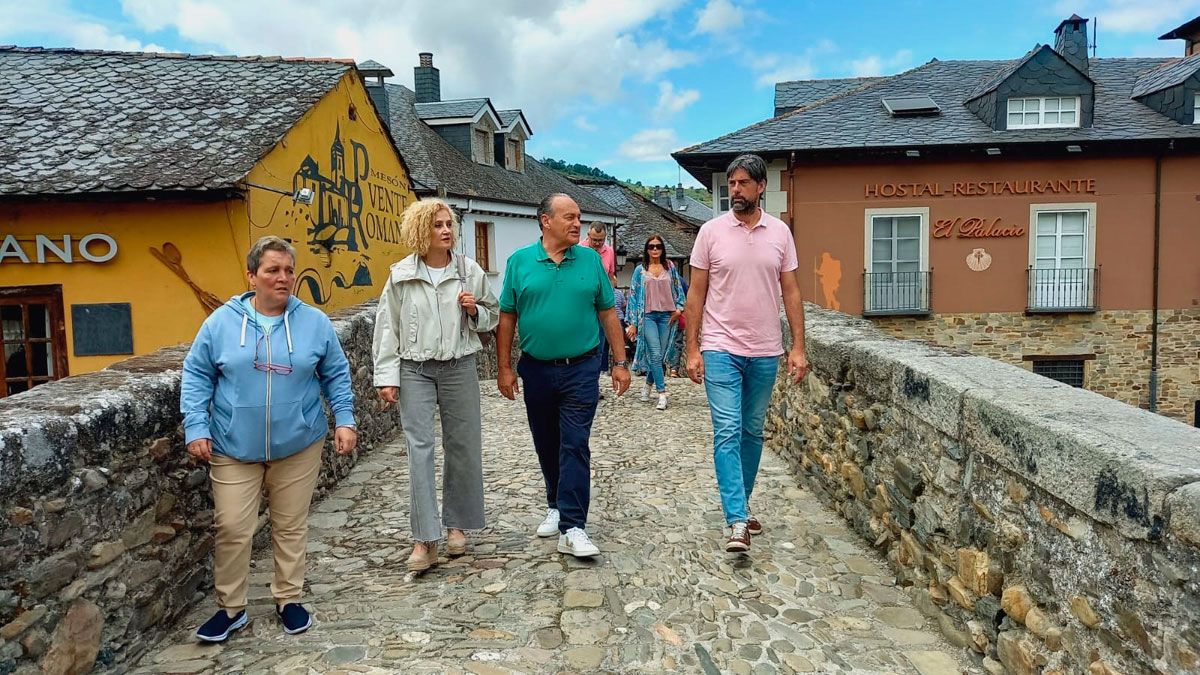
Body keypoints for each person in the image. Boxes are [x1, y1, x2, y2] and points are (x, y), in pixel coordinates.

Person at [181, 235, 358, 642]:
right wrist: (196, 426)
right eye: (273, 270)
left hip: (299, 441)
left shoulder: (313, 322)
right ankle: (231, 609)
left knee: (290, 525)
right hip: (231, 445)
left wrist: (344, 420)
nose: (283, 278)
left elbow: (336, 374)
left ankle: (288, 599)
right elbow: (196, 375)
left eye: (289, 271)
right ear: (251, 276)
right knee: (232, 526)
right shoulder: (221, 323)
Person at [685, 154, 808, 554]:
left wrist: (798, 347)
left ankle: (741, 502)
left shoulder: (780, 234)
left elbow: (790, 290)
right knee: (727, 430)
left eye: (741, 184)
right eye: (731, 184)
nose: (734, 190)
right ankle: (737, 519)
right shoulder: (710, 232)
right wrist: (692, 349)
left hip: (765, 348)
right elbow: (696, 293)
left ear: (760, 188)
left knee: (752, 430)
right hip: (720, 346)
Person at [496, 194, 631, 558]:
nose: (577, 225)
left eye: (579, 218)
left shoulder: (590, 261)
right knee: (546, 441)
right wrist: (505, 367)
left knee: (574, 442)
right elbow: (507, 317)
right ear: (545, 221)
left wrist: (620, 361)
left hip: (582, 368)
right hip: (536, 368)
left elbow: (607, 313)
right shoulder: (520, 262)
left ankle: (573, 526)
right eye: (569, 217)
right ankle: (555, 503)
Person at [372, 199, 498, 573]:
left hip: (459, 366)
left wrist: (475, 310)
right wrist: (386, 377)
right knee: (419, 449)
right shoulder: (401, 275)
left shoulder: (468, 271)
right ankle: (424, 539)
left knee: (462, 445)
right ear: (419, 231)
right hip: (415, 369)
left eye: (448, 224)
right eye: (436, 225)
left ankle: (455, 525)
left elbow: (494, 314)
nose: (445, 230)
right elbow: (386, 327)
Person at [625, 234, 686, 410]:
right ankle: (662, 393)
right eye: (651, 246)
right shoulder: (640, 270)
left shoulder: (670, 267)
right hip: (648, 317)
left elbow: (678, 290)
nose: (654, 250)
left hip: (667, 317)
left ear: (662, 249)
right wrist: (633, 323)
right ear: (646, 249)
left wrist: (679, 309)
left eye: (658, 246)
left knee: (659, 355)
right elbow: (634, 297)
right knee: (656, 353)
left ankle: (647, 385)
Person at [584, 222, 618, 377]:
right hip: (583, 305)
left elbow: (611, 277)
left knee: (600, 344)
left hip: (601, 306)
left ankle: (594, 382)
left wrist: (609, 296)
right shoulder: (578, 250)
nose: (597, 244)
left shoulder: (609, 252)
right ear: (588, 235)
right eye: (594, 240)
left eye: (601, 240)